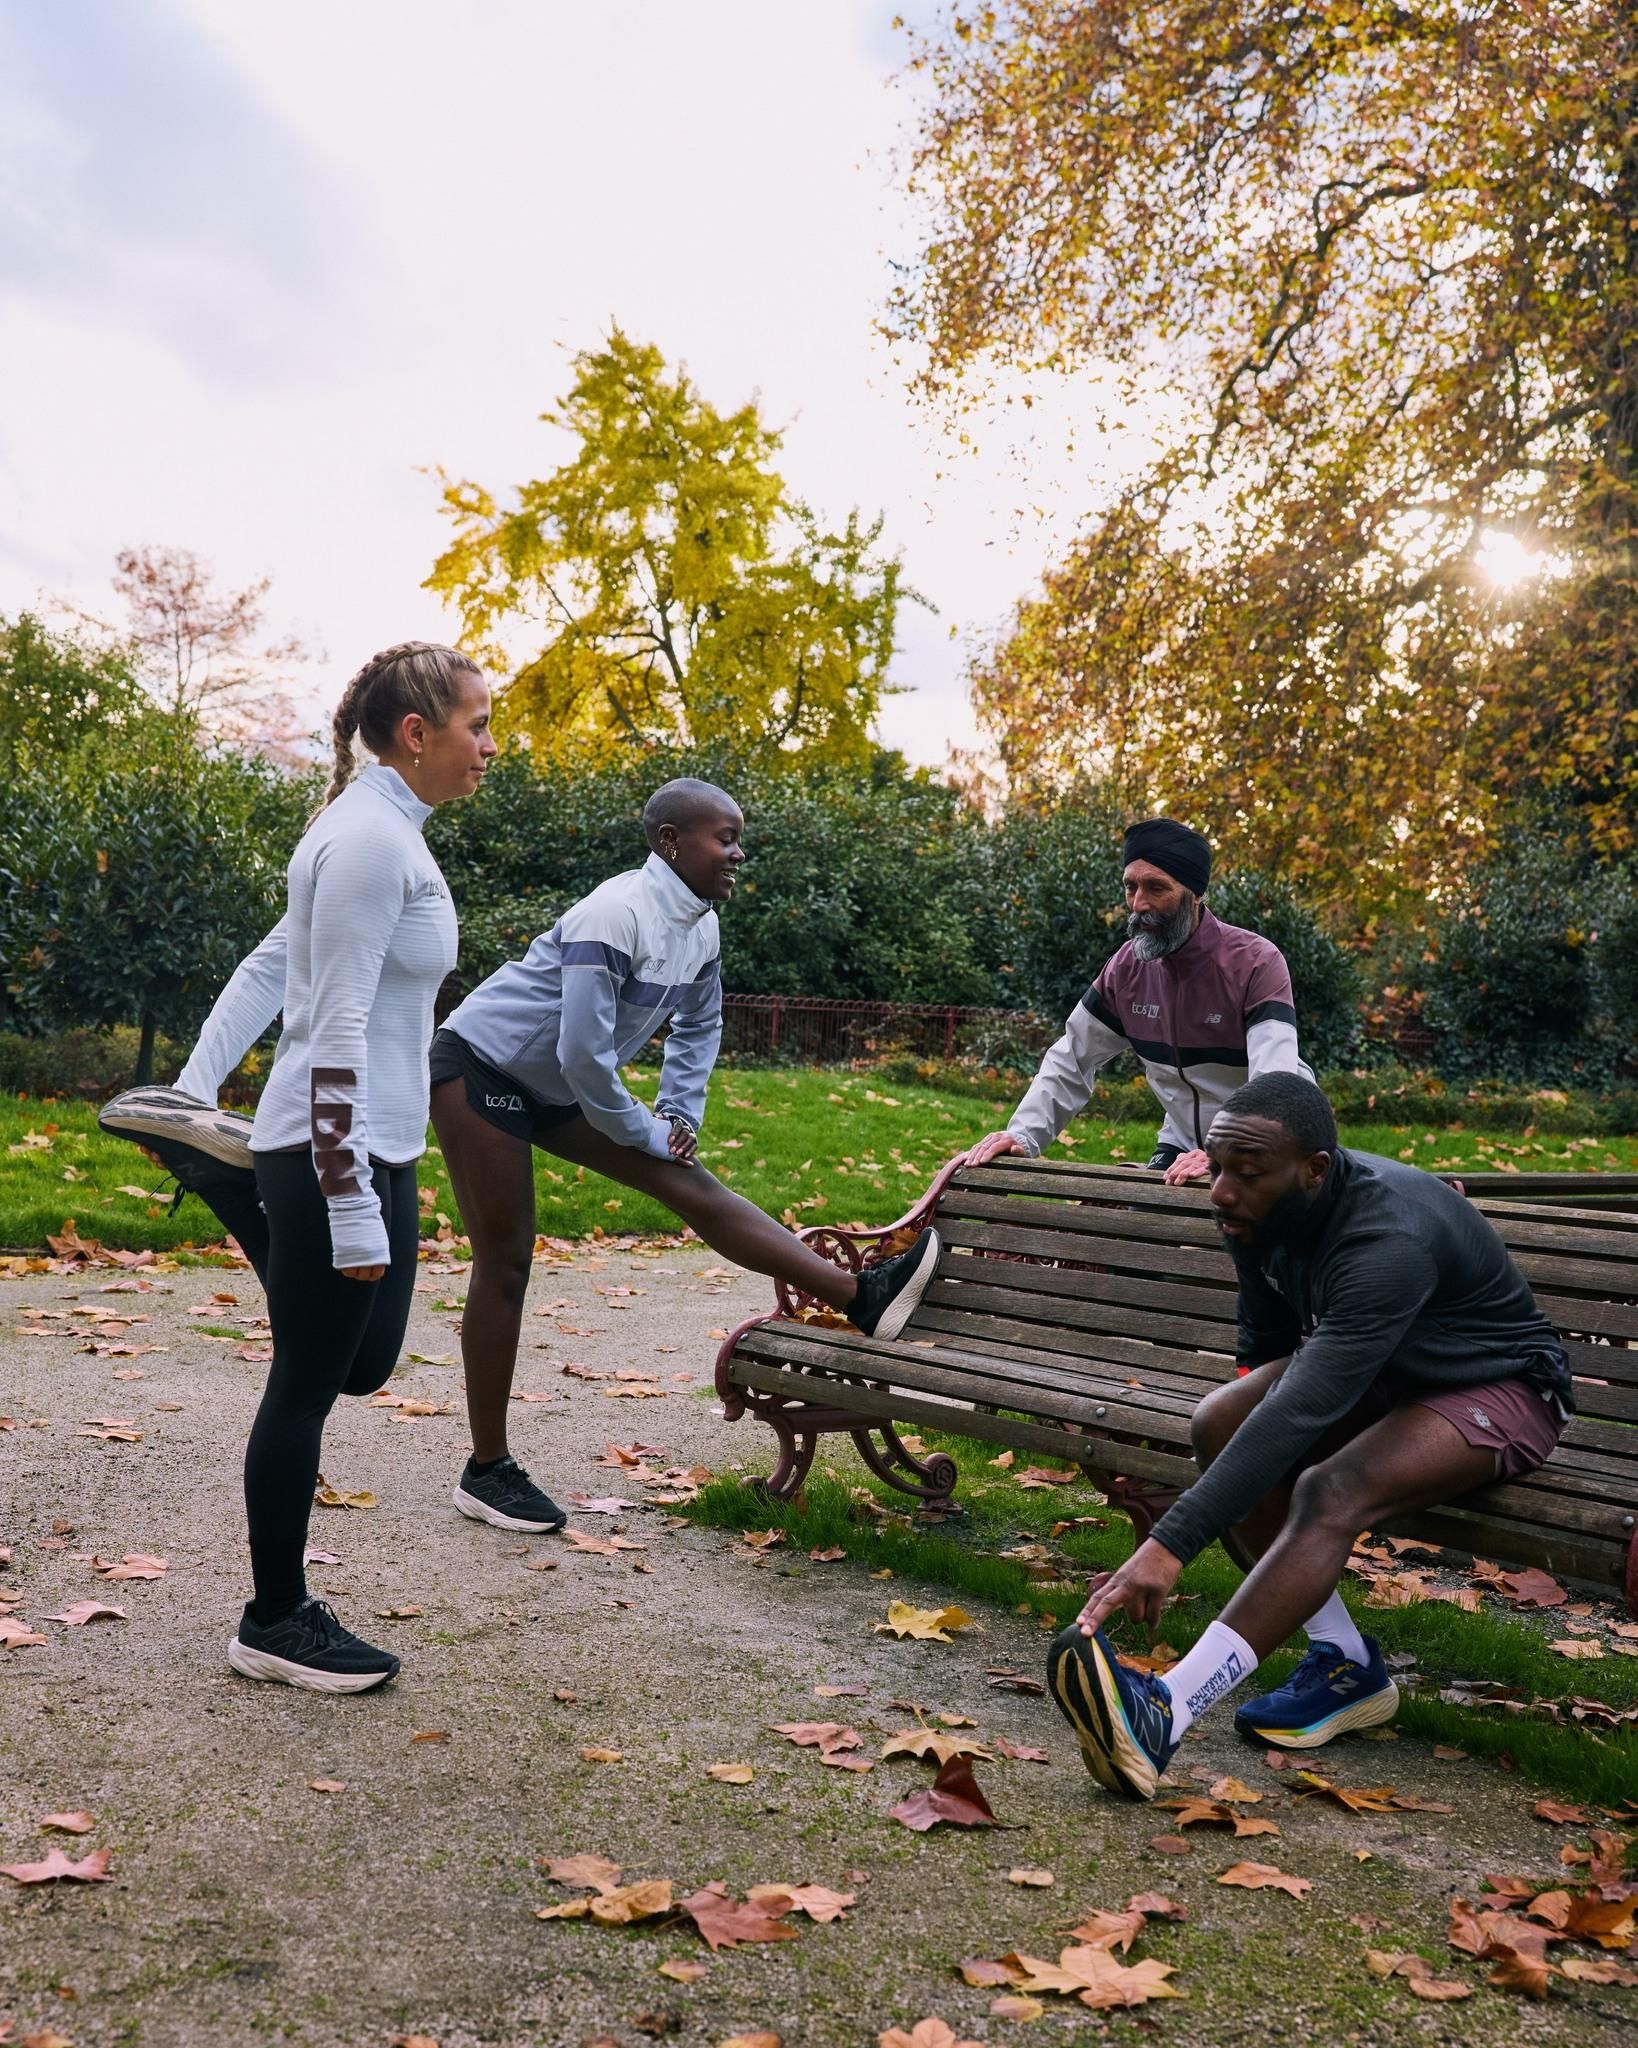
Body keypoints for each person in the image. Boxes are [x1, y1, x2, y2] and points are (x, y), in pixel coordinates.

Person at [104, 642, 497, 1693]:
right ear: (416, 734)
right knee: (306, 1384)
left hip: (363, 1145)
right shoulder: (369, 842)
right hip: (341, 1150)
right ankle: (273, 1616)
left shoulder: (375, 831)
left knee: (363, 1363)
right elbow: (331, 1020)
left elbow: (274, 962)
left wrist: (192, 1089)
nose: (489, 746)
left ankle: (231, 1176)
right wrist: (346, 1198)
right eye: (477, 724)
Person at [426, 776, 941, 1534]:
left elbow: (698, 1032)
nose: (738, 853)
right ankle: (488, 1469)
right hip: (483, 1068)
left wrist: (675, 1117)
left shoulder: (701, 929)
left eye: (739, 838)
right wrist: (641, 1129)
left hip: (561, 1081)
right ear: (670, 841)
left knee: (690, 1181)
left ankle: (860, 1297)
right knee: (505, 1257)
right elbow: (582, 1057)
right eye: (723, 838)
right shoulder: (615, 913)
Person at [1044, 1071, 1573, 1799]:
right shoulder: (1256, 1211)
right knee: (1220, 1420)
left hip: (1499, 1388)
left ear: (1314, 1171)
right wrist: (1237, 1452)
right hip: (1391, 1372)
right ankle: (1346, 1665)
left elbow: (1300, 1411)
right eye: (1219, 1165)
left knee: (1332, 1488)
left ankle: (1164, 1715)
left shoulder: (1387, 1238)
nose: (1221, 1190)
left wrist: (1169, 1545)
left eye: (1246, 1173)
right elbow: (1266, 1355)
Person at [968, 818, 1311, 1184]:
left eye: (1156, 888)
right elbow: (1071, 1057)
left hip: (1269, 1143)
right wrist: (1022, 1135)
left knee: (1235, 1237)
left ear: (1195, 894)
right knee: (1137, 1231)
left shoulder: (1255, 962)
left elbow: (1275, 1080)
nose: (1139, 903)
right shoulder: (1125, 969)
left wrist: (1227, 1152)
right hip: (1182, 1144)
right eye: (1130, 887)